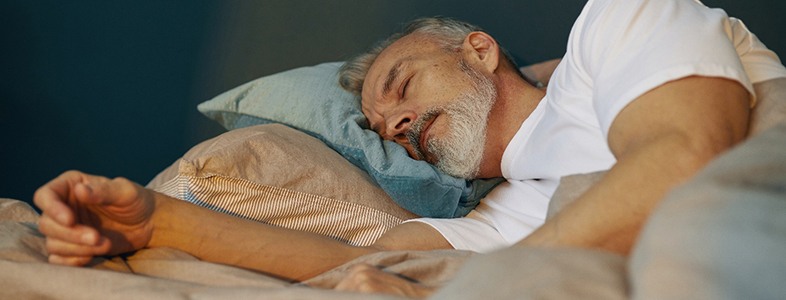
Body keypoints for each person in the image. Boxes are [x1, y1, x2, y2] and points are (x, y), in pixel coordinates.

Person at [34, 0, 786, 298]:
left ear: (481, 53)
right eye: (377, 124)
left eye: (401, 83)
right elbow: (360, 268)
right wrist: (161, 224)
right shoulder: (502, 213)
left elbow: (688, 158)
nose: (392, 122)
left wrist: (517, 263)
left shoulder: (617, 24)